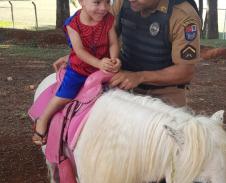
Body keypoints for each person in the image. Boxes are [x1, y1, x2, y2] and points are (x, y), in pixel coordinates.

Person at [55, 0, 201, 108]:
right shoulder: (124, 3)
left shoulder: (182, 16)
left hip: (165, 92)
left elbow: (185, 71)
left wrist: (139, 76)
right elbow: (102, 38)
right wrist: (76, 57)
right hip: (123, 82)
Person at [32, 0, 121, 145]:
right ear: (81, 2)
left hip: (103, 68)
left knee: (121, 90)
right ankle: (43, 119)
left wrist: (114, 59)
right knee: (65, 95)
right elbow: (79, 51)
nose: (103, 8)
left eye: (107, 2)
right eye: (97, 2)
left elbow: (113, 43)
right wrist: (99, 63)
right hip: (80, 69)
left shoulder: (108, 18)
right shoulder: (73, 24)